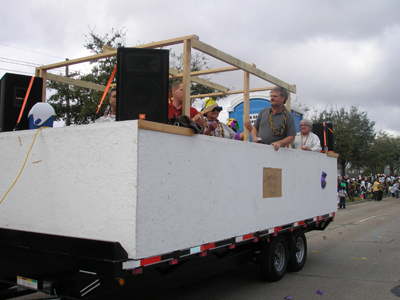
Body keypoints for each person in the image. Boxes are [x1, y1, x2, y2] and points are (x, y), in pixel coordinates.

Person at [250, 86, 296, 151]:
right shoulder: (264, 112)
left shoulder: (288, 116)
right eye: (271, 96)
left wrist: (279, 143)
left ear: (282, 98)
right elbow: (254, 128)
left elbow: (291, 137)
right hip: (259, 150)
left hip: (276, 153)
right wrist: (254, 138)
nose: (272, 98)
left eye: (275, 96)